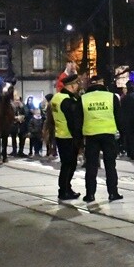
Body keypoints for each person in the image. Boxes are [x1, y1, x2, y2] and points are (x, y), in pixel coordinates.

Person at [81, 75, 123, 203]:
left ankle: (90, 194)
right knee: (110, 165)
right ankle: (113, 193)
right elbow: (118, 116)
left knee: (91, 166)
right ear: (102, 83)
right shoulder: (111, 97)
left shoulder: (83, 98)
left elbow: (78, 118)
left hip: (91, 135)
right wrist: (120, 134)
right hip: (108, 134)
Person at [51, 74, 84, 202]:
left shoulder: (56, 97)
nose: (77, 87)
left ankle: (66, 188)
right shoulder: (68, 101)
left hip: (60, 134)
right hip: (69, 136)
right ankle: (64, 190)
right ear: (71, 86)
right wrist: (79, 138)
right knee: (69, 164)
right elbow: (73, 121)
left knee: (66, 164)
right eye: (76, 85)